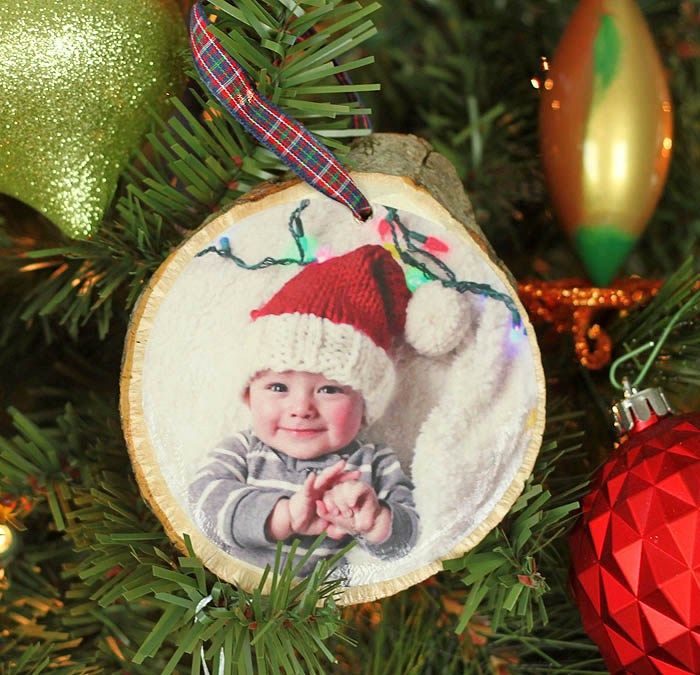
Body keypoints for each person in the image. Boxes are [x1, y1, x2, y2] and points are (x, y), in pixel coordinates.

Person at [189, 245, 421, 576]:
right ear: (248, 396)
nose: (301, 409)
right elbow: (203, 505)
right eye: (278, 388)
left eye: (329, 390)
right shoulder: (243, 450)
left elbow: (412, 536)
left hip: (326, 613)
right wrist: (284, 515)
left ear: (365, 404)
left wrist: (377, 520)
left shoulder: (374, 465)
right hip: (232, 596)